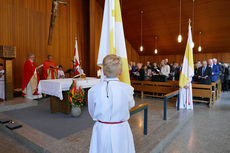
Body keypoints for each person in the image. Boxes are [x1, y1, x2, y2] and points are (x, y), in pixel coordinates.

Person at [88, 54, 135, 153]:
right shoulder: (127, 89)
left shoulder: (93, 90)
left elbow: (92, 111)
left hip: (101, 129)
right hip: (121, 129)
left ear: (103, 72)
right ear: (121, 72)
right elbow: (130, 106)